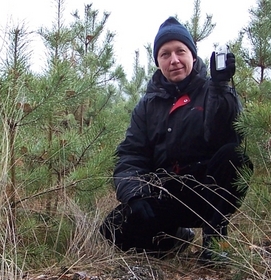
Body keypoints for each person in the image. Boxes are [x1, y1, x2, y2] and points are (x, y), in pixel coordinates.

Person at [100, 17, 251, 263]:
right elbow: (131, 155)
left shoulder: (213, 89)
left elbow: (230, 134)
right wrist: (135, 196)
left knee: (233, 156)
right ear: (158, 62)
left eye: (180, 51)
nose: (174, 60)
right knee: (114, 228)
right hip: (167, 192)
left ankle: (215, 238)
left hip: (208, 190)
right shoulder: (147, 105)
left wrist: (222, 87)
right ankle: (174, 239)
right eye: (165, 54)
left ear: (192, 54)